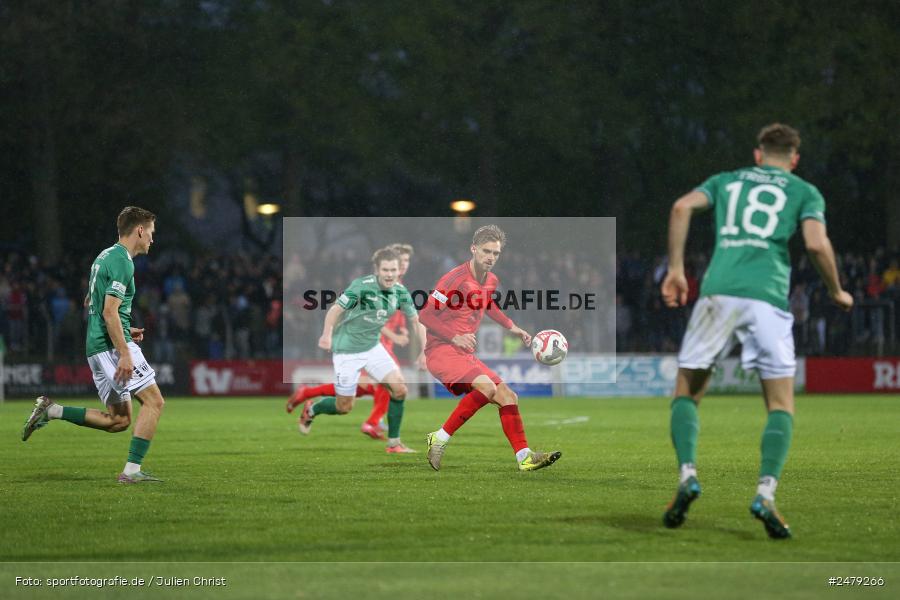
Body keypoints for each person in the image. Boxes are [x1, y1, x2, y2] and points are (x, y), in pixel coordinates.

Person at [660, 124, 853, 538]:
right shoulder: (804, 191)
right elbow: (817, 245)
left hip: (718, 295)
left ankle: (688, 476)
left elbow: (680, 208)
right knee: (780, 404)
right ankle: (765, 493)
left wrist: (676, 270)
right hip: (768, 299)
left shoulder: (726, 181)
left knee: (687, 392)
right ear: (794, 159)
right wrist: (837, 290)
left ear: (759, 155)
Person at [22, 207, 167, 484]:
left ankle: (52, 410)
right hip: (112, 347)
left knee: (119, 421)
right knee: (154, 402)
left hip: (96, 347)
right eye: (150, 232)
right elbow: (109, 312)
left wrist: (125, 328)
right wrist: (124, 350)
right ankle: (132, 472)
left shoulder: (104, 256)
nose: (152, 239)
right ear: (139, 230)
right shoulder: (123, 262)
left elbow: (92, 303)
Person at [419, 224, 561, 472]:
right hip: (441, 351)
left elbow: (487, 305)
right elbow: (426, 315)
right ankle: (439, 438)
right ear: (473, 249)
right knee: (486, 386)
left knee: (507, 396)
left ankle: (524, 458)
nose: (491, 258)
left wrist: (511, 326)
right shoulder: (454, 279)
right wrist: (455, 337)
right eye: (486, 251)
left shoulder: (491, 280)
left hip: (463, 354)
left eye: (495, 253)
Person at [297, 247, 426, 454]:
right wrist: (326, 334)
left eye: (393, 270)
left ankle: (394, 444)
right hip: (347, 349)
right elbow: (336, 309)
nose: (390, 274)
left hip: (373, 347)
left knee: (400, 389)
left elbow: (416, 320)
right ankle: (312, 409)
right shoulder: (361, 286)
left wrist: (424, 351)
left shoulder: (400, 291)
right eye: (386, 270)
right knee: (344, 407)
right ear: (377, 269)